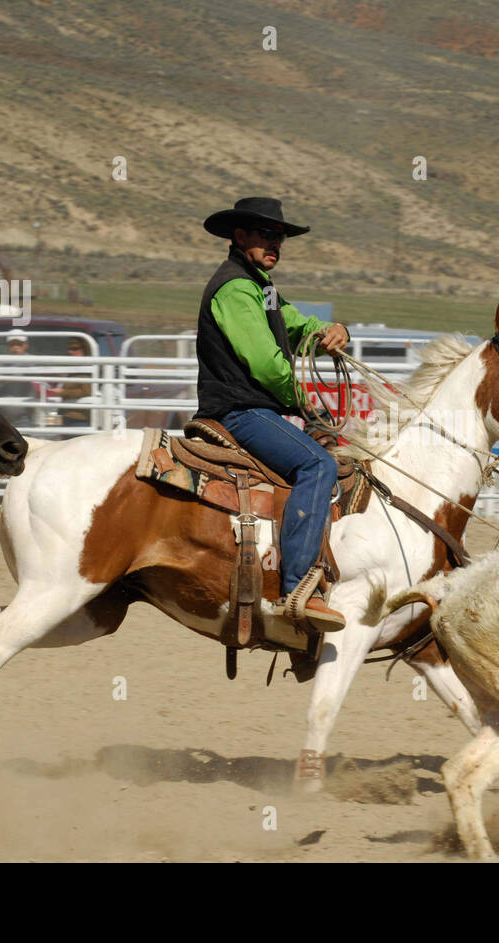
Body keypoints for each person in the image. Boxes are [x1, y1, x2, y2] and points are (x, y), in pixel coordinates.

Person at [195, 196, 350, 632]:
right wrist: (304, 401)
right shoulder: (235, 287)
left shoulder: (259, 286)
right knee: (317, 464)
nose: (275, 242)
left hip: (253, 408)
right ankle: (298, 586)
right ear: (239, 235)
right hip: (240, 410)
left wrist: (332, 331)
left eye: (279, 235)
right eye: (266, 233)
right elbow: (265, 363)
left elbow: (296, 323)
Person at [0, 331, 39, 428]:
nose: (15, 347)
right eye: (12, 344)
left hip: (24, 414)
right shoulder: (3, 361)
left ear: (26, 345)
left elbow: (31, 381)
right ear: (8, 346)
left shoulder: (32, 360)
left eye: (19, 344)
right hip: (4, 415)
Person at [52, 337, 94, 429]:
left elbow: (87, 391)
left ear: (85, 350)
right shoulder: (73, 368)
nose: (70, 352)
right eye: (69, 349)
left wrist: (63, 392)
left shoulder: (87, 369)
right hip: (68, 415)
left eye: (75, 349)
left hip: (79, 417)